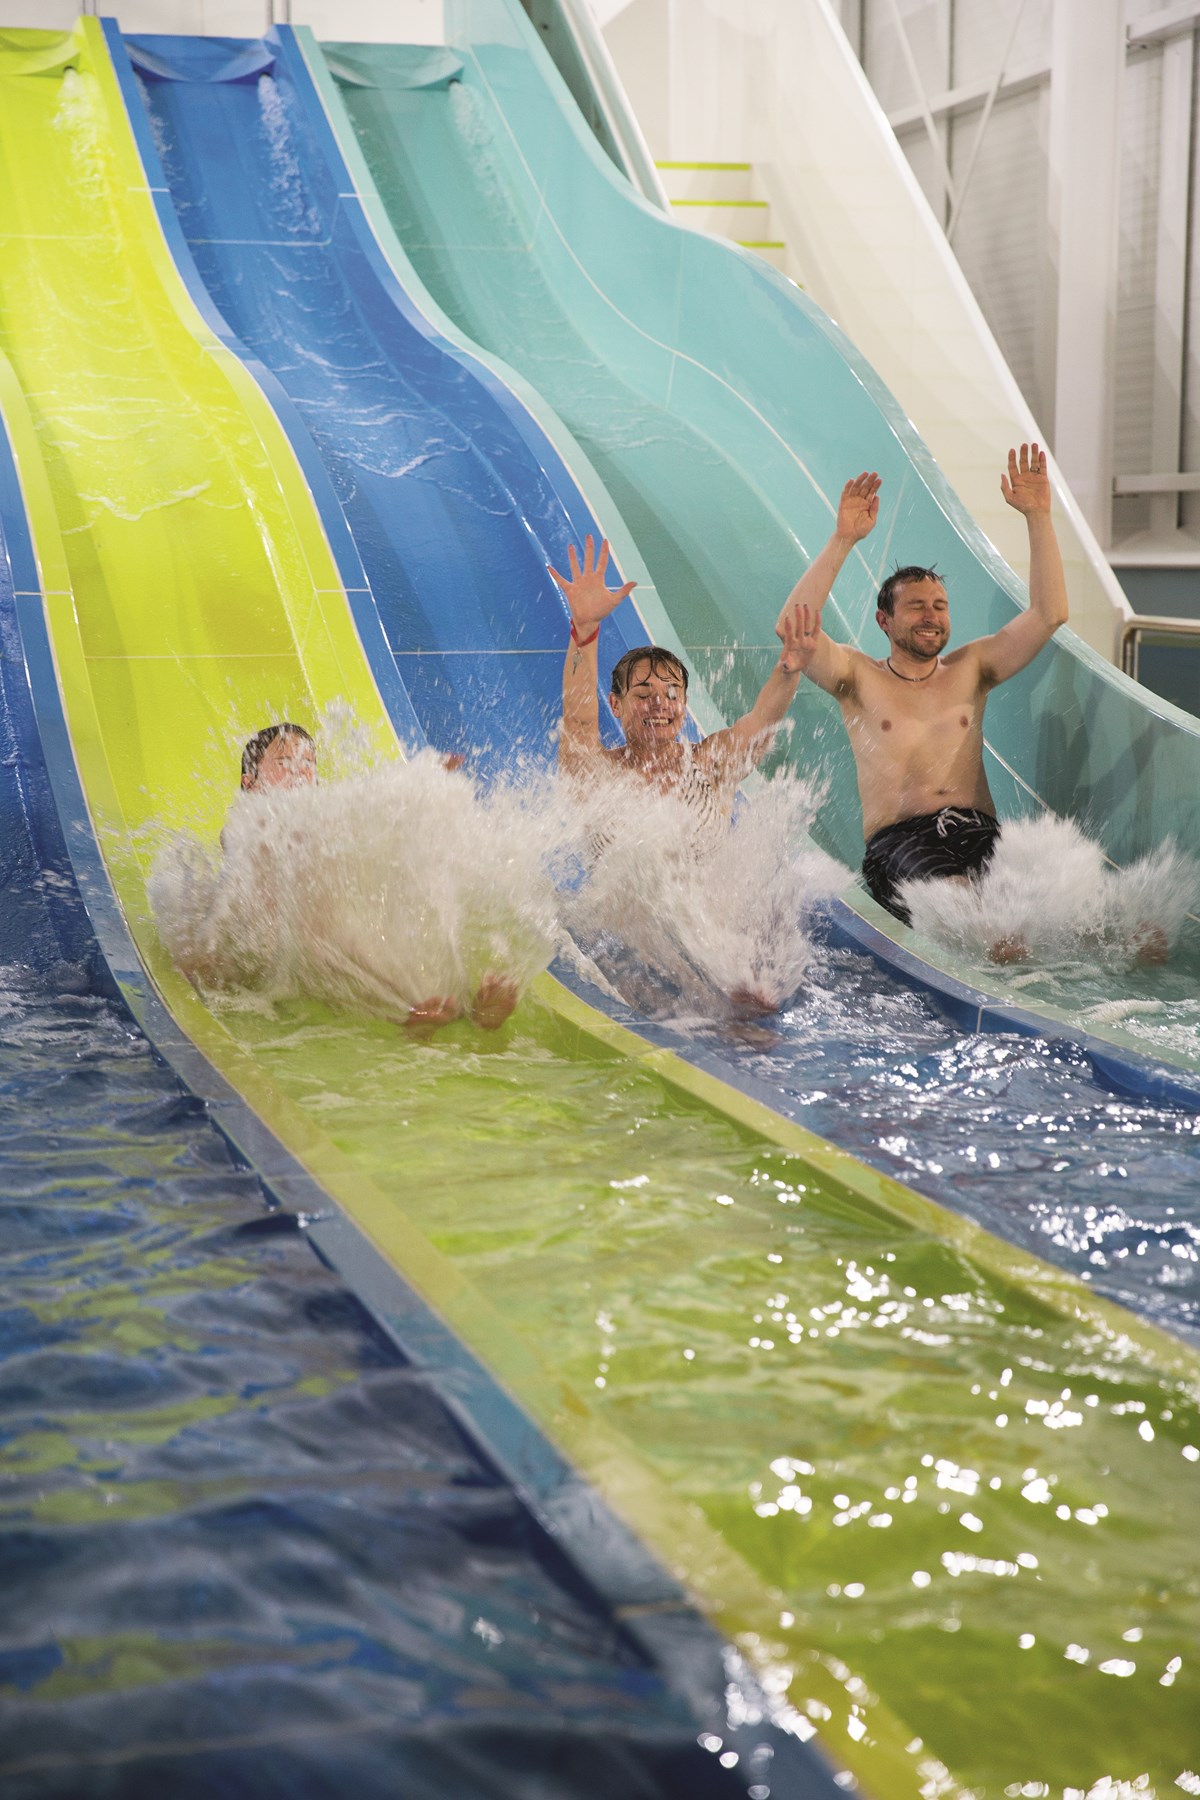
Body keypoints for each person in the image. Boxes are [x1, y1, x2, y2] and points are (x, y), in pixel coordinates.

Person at [774, 448, 1069, 938]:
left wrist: (1038, 516)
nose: (931, 615)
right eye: (916, 607)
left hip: (979, 831)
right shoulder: (858, 677)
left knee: (1048, 921)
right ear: (884, 621)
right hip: (900, 841)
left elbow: (1049, 614)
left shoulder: (972, 668)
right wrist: (843, 539)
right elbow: (794, 628)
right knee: (982, 928)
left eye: (939, 605)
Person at [206, 723, 516, 1031]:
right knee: (328, 941)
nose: (300, 772)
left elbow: (361, 819)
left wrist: (419, 798)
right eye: (284, 763)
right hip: (281, 956)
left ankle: (471, 1005)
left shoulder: (320, 821)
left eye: (308, 764)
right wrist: (409, 785)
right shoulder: (243, 828)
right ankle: (412, 1017)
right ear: (250, 784)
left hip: (325, 945)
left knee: (396, 900)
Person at [551, 534, 813, 820]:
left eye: (672, 693)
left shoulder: (709, 763)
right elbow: (579, 722)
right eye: (643, 694)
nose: (660, 703)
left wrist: (788, 671)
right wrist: (584, 630)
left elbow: (763, 722)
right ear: (615, 704)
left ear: (685, 703)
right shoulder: (600, 775)